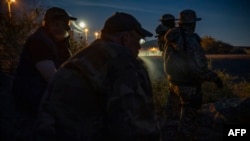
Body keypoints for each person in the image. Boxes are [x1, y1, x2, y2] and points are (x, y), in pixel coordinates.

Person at [32, 12, 161, 141]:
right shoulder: (123, 61)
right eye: (138, 40)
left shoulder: (80, 57)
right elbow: (139, 127)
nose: (139, 46)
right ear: (125, 38)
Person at [163, 9, 223, 140]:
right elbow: (197, 68)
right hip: (188, 86)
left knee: (171, 117)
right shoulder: (190, 40)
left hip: (174, 83)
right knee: (187, 122)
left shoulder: (172, 36)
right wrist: (214, 78)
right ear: (192, 23)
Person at [11, 7, 77, 118]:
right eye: (56, 24)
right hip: (32, 94)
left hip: (45, 92)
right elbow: (51, 77)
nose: (61, 27)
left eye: (63, 23)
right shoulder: (38, 42)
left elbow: (68, 66)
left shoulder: (61, 41)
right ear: (48, 25)